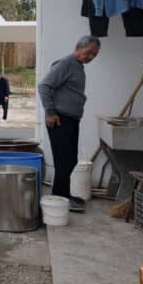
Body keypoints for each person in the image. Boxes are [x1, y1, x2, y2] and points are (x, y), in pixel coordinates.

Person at [38, 35, 101, 213]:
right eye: (88, 53)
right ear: (78, 47)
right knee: (64, 161)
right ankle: (60, 197)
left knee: (70, 160)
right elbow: (44, 86)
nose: (90, 57)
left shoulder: (78, 66)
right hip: (59, 119)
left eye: (94, 55)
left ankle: (63, 195)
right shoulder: (66, 63)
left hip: (71, 119)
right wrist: (50, 112)